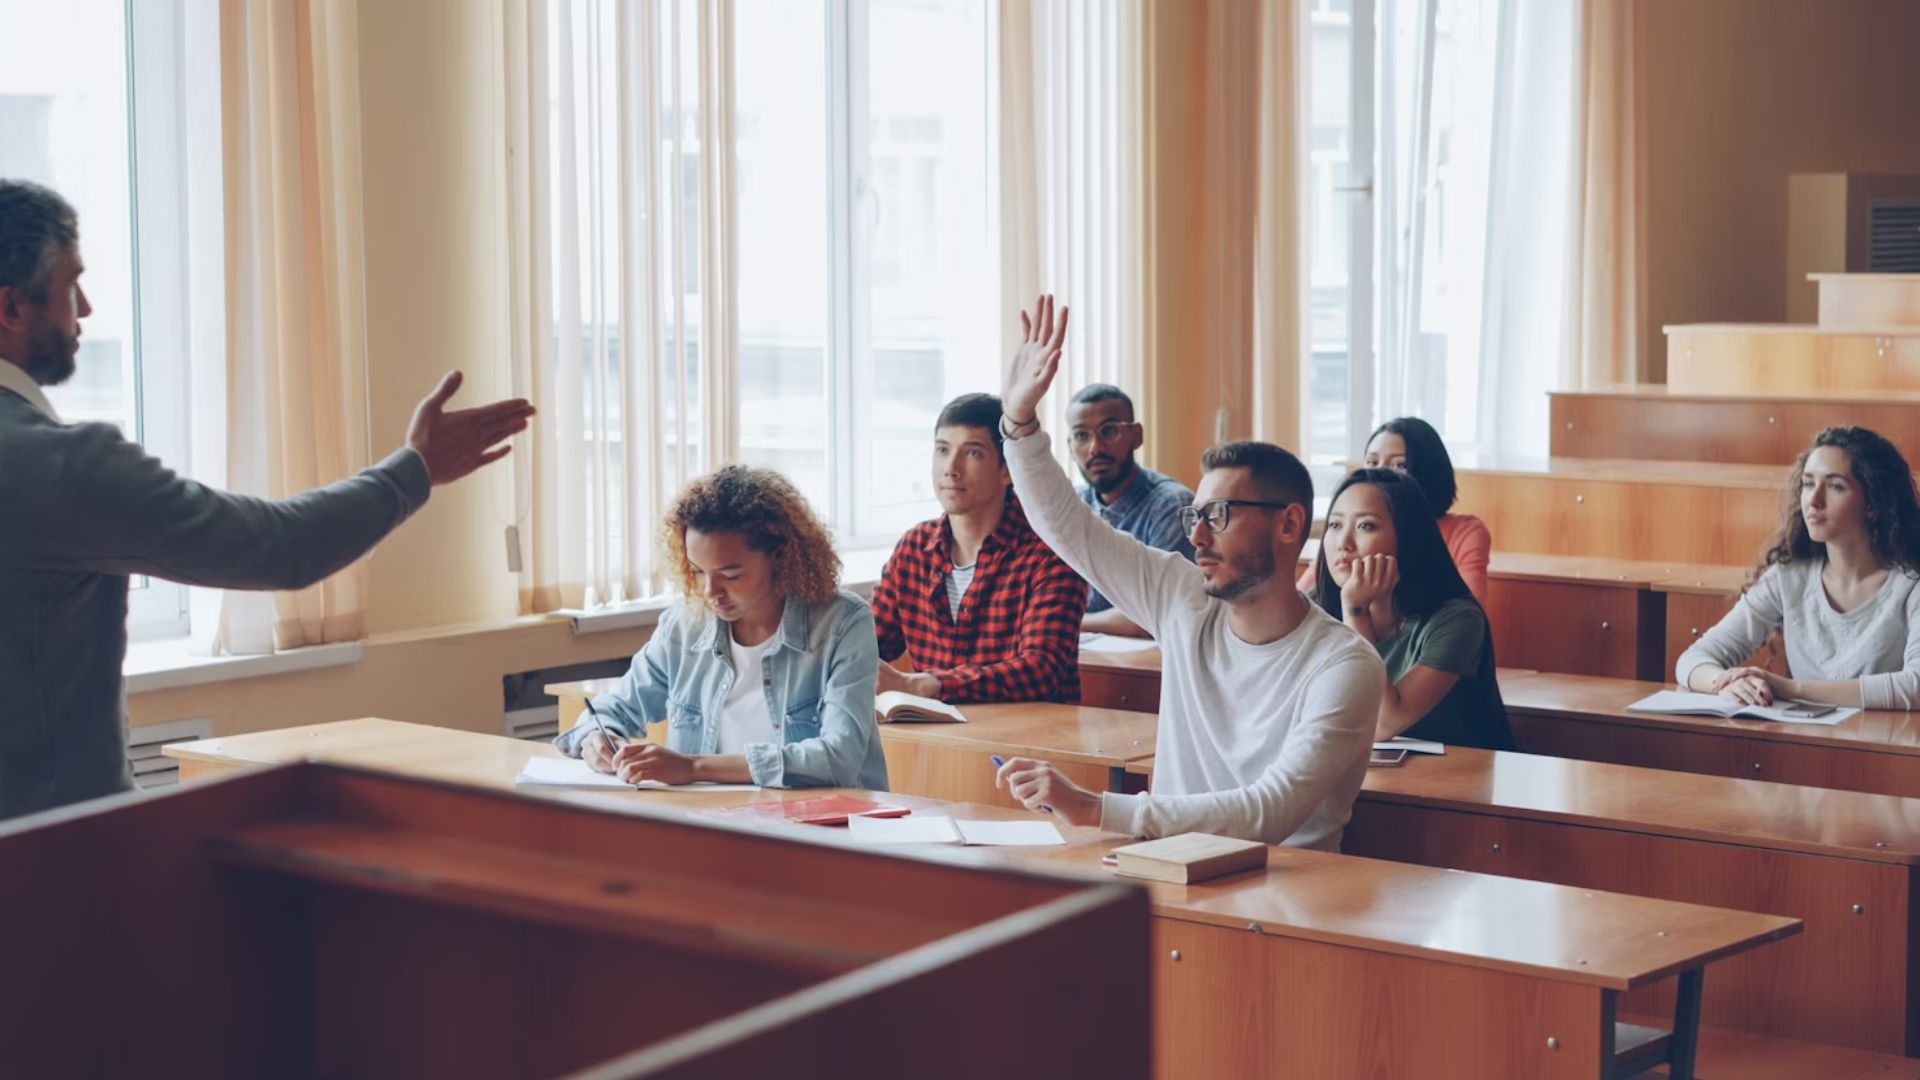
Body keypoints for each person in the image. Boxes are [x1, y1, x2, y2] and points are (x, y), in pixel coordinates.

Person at [0, 180, 535, 821]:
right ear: (12, 308)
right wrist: (414, 469)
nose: (84, 309)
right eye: (69, 285)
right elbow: (281, 548)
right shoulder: (59, 468)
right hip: (49, 861)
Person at [991, 296, 1385, 849]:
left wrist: (1095, 808)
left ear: (1290, 524)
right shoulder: (1183, 598)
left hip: (1288, 897)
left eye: (1219, 517)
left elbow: (1269, 812)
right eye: (1195, 517)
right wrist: (1019, 424)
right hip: (1167, 868)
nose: (1198, 536)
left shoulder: (1344, 665)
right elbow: (1069, 530)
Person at [556, 465, 889, 789]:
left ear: (780, 558)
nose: (709, 591)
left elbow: (839, 757)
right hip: (711, 824)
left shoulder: (842, 623)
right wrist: (597, 737)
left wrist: (695, 767)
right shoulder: (684, 626)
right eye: (698, 570)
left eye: (730, 575)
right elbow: (610, 709)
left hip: (820, 828)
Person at [1677, 426, 1920, 709]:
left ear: (1873, 505)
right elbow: (1692, 660)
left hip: (1882, 748)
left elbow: (1915, 686)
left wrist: (1794, 689)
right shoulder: (1788, 576)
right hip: (1804, 744)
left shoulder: (1911, 585)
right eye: (1807, 484)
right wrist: (1729, 682)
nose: (1814, 500)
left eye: (1835, 486)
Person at [869, 392, 1088, 704]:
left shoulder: (1050, 553)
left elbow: (1041, 670)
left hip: (1027, 742)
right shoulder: (914, 548)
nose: (951, 468)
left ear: (1007, 470)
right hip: (939, 741)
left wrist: (926, 685)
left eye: (972, 453)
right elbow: (869, 642)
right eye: (942, 450)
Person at [1315, 468, 1513, 749]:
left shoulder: (1458, 620)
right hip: (1356, 774)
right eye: (1334, 525)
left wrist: (1356, 610)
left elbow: (1383, 722)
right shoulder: (1313, 607)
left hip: (1454, 781)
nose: (1343, 544)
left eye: (1366, 526)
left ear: (1407, 537)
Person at [1297, 417, 1491, 608]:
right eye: (1372, 462)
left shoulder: (1465, 532)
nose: (1380, 474)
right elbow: (1302, 597)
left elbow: (1469, 608)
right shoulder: (1346, 538)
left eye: (1400, 466)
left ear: (1430, 472)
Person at [1067, 383, 1195, 638]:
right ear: (1070, 445)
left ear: (1136, 436)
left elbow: (1157, 612)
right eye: (1082, 435)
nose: (1095, 448)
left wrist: (1070, 622)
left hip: (1146, 666)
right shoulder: (1072, 506)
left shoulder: (1172, 505)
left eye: (1110, 431)